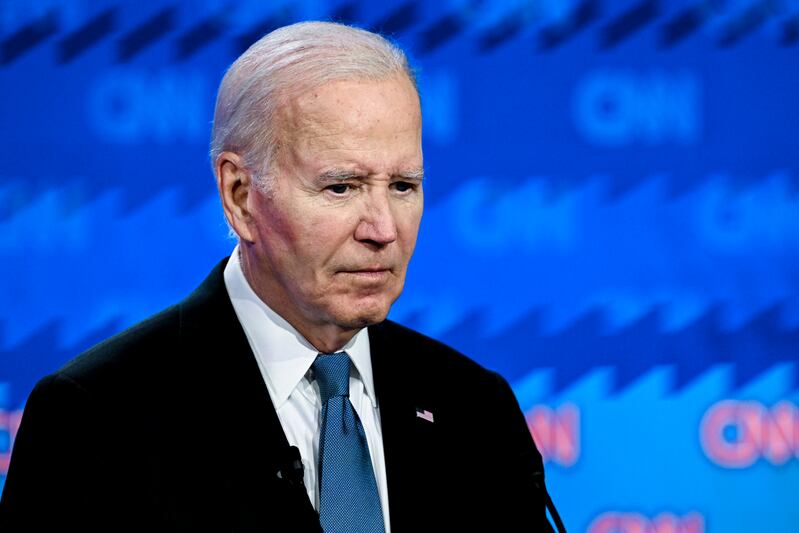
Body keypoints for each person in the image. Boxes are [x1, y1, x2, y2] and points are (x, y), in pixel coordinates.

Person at [0, 21, 558, 532]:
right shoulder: (97, 418)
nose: (383, 229)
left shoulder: (474, 408)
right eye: (341, 187)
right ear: (240, 197)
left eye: (403, 187)